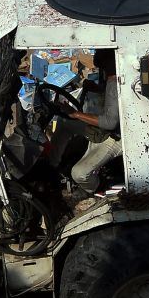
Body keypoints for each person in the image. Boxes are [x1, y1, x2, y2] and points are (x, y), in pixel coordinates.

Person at [50, 50, 123, 193]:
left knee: (79, 174)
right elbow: (112, 100)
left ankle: (97, 188)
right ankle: (52, 166)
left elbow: (109, 123)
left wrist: (76, 114)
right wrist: (97, 88)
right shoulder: (112, 78)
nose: (104, 71)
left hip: (116, 137)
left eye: (105, 67)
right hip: (103, 130)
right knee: (64, 123)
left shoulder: (116, 82)